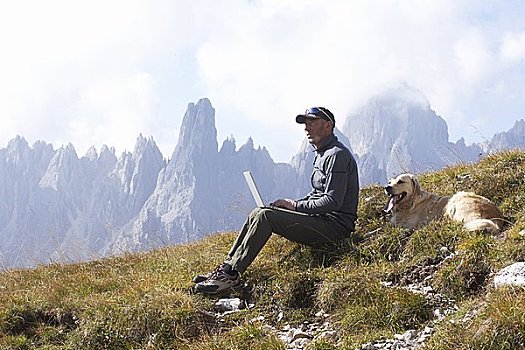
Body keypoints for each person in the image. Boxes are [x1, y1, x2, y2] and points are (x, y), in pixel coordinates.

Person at [193, 107, 359, 294]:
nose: (307, 128)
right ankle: (226, 268)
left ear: (328, 125)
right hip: (323, 221)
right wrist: (290, 205)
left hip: (335, 229)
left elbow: (332, 202)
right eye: (305, 123)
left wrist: (295, 206)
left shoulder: (337, 155)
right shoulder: (323, 154)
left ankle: (230, 276)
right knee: (259, 212)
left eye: (312, 122)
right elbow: (317, 195)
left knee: (266, 216)